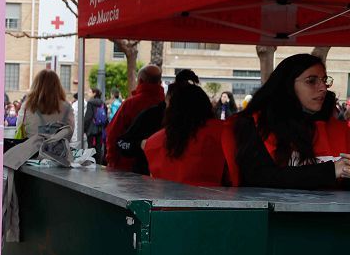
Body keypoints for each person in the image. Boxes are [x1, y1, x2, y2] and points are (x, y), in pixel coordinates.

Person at [227, 54, 350, 189]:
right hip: (274, 209)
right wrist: (330, 171)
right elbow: (258, 177)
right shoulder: (256, 125)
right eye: (311, 81)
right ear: (288, 84)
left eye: (324, 80)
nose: (323, 88)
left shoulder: (339, 128)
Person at [115, 69, 199, 175]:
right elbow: (122, 142)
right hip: (150, 179)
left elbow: (117, 138)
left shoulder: (144, 110)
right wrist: (140, 144)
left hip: (149, 182)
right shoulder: (153, 114)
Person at [144, 82, 227, 187]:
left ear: (172, 109)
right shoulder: (223, 132)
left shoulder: (153, 142)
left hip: (167, 202)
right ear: (206, 105)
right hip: (216, 201)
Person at [105, 65, 165, 171]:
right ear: (159, 82)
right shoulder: (168, 105)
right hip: (161, 167)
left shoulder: (131, 104)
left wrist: (112, 160)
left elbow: (113, 133)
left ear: (140, 81)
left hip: (130, 166)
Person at [16, 69, 74, 141]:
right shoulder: (67, 107)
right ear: (57, 85)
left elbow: (19, 127)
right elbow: (70, 131)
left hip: (32, 150)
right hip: (58, 150)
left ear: (36, 85)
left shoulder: (27, 106)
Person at [83, 88, 108, 163]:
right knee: (99, 147)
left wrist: (84, 128)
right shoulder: (103, 103)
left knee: (90, 147)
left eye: (90, 92)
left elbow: (88, 117)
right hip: (100, 129)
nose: (88, 93)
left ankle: (91, 163)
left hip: (91, 129)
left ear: (94, 93)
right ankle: (99, 163)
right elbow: (106, 116)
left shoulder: (90, 102)